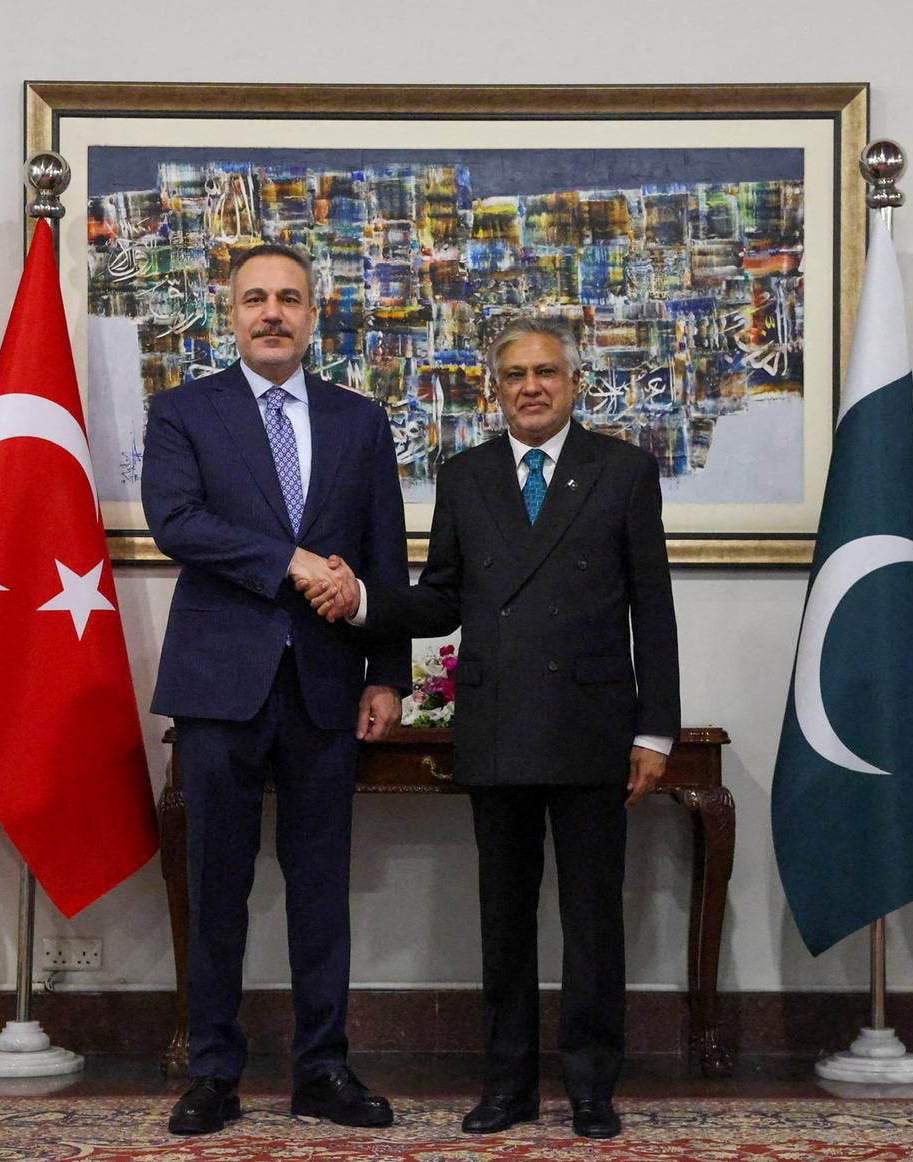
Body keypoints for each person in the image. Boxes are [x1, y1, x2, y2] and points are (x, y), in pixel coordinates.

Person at [306, 315, 679, 1139]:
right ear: (494, 389)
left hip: (591, 727)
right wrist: (367, 600)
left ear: (575, 383)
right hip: (499, 724)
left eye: (547, 372)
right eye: (515, 375)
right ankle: (507, 1085)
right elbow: (440, 595)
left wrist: (656, 731)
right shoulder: (465, 473)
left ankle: (591, 1087)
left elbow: (652, 605)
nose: (532, 387)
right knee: (503, 920)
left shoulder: (621, 470)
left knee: (593, 919)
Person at [142, 243, 409, 1136]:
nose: (272, 313)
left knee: (321, 884)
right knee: (217, 882)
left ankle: (322, 1069)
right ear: (230, 311)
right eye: (255, 298)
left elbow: (382, 551)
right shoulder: (184, 411)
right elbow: (176, 522)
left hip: (328, 686)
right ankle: (214, 1070)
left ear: (312, 313)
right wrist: (290, 562)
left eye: (289, 299)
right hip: (221, 684)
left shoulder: (360, 420)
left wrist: (389, 673)